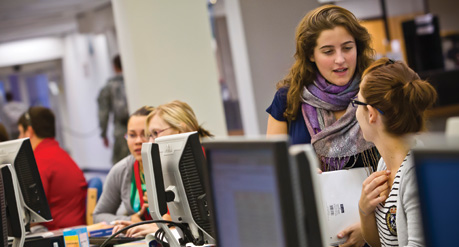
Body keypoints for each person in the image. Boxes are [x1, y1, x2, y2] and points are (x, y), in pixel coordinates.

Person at [266, 5, 378, 246]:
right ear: (310, 54)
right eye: (328, 51)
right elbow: (273, 174)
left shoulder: (377, 93)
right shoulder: (288, 100)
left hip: (375, 230)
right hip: (310, 233)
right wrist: (297, 176)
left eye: (348, 48)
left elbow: (400, 169)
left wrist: (368, 225)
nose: (340, 59)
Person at [356, 58, 436, 247]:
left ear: (371, 113)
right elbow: (381, 244)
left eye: (356, 102)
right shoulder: (385, 163)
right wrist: (364, 210)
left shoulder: (416, 175)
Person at [113, 100, 213, 237]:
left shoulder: (209, 163)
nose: (150, 142)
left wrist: (167, 229)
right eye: (150, 135)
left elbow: (211, 223)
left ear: (180, 130)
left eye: (155, 133)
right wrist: (150, 226)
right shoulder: (171, 167)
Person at [17, 106, 87, 230]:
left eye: (20, 132)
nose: (18, 138)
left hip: (59, 233)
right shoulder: (61, 154)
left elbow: (33, 213)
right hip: (75, 229)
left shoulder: (38, 161)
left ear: (29, 132)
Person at [93, 106, 155, 225]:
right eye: (132, 135)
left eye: (145, 134)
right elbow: (99, 215)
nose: (137, 141)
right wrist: (130, 220)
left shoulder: (171, 166)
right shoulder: (121, 170)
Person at [97, 54, 130, 165]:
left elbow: (103, 113)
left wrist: (104, 134)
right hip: (141, 130)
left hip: (121, 132)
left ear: (115, 67)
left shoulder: (109, 87)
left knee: (121, 165)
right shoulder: (134, 81)